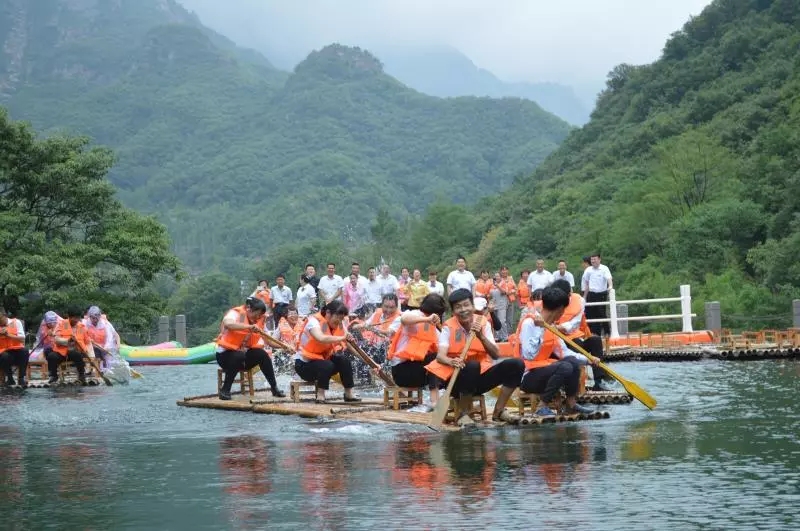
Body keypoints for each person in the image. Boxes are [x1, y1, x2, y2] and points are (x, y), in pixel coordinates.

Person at [425, 289, 524, 425]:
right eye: (458, 307)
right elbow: (440, 356)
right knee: (471, 365)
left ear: (472, 306)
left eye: (466, 305)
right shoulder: (449, 326)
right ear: (453, 311)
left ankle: (499, 411)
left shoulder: (483, 323)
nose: (463, 310)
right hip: (456, 381)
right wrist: (451, 361)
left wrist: (481, 337)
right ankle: (463, 415)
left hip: (479, 379)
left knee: (516, 365)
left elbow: (495, 355)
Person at [518, 286, 596, 416]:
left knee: (572, 361)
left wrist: (588, 359)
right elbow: (529, 355)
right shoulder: (529, 324)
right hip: (528, 378)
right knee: (565, 367)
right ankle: (542, 406)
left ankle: (571, 404)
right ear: (560, 309)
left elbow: (564, 353)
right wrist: (541, 330)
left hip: (544, 373)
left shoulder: (551, 326)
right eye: (563, 310)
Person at [215, 297, 285, 400]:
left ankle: (274, 388)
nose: (257, 318)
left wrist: (284, 347)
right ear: (249, 309)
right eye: (256, 314)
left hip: (243, 357)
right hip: (225, 356)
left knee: (262, 354)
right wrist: (248, 327)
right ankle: (225, 390)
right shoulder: (235, 313)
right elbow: (228, 323)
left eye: (259, 316)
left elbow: (269, 341)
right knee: (238, 355)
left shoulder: (260, 320)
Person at [294, 300, 361, 403]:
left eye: (341, 319)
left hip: (323, 363)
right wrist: (343, 338)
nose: (339, 321)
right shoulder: (313, 322)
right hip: (304, 365)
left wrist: (362, 358)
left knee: (344, 360)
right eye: (337, 318)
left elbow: (347, 342)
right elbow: (321, 338)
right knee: (327, 365)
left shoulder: (339, 322)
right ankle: (321, 395)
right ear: (328, 313)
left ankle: (349, 393)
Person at [387, 294, 446, 410]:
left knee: (444, 359)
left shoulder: (432, 326)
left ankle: (448, 395)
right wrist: (427, 319)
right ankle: (434, 400)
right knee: (435, 357)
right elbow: (404, 319)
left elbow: (443, 348)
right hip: (402, 372)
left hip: (417, 372)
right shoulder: (415, 315)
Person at [551, 279, 610, 391]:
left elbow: (575, 324)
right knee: (575, 345)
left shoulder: (579, 300)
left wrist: (559, 327)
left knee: (595, 340)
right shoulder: (551, 301)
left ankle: (599, 381)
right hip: (556, 342)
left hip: (573, 337)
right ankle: (570, 386)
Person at [47, 306, 92, 384]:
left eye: (77, 318)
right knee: (51, 356)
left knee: (77, 354)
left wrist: (90, 355)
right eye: (74, 318)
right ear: (69, 317)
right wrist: (67, 341)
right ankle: (53, 375)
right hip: (61, 351)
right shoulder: (61, 324)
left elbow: (88, 342)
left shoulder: (82, 327)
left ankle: (81, 375)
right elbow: (56, 339)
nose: (76, 320)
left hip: (76, 351)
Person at [582, 253, 613, 336]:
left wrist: (610, 286)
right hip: (591, 294)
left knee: (601, 313)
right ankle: (595, 333)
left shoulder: (604, 268)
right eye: (592, 259)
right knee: (591, 314)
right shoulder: (588, 270)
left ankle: (607, 332)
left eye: (595, 259)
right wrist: (584, 296)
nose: (593, 261)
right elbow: (587, 283)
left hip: (601, 294)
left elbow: (609, 278)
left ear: (599, 259)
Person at [0, 307, 28, 387]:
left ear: (4, 316)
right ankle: (10, 378)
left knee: (25, 351)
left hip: (16, 351)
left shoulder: (16, 322)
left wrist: (8, 335)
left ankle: (21, 378)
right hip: (2, 353)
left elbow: (22, 338)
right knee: (4, 356)